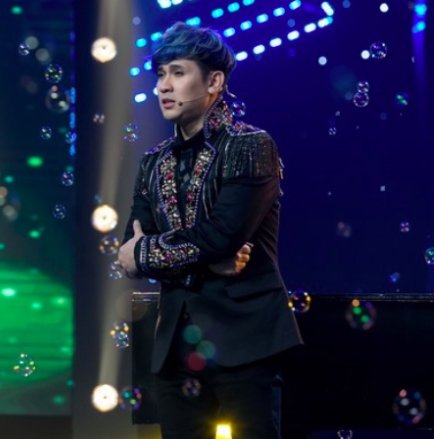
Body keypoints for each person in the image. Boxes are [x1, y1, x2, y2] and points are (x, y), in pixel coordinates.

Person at [117, 22, 302, 439]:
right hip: (175, 349)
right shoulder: (153, 161)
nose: (163, 86)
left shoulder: (250, 145)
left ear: (214, 81)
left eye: (178, 72)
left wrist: (152, 253)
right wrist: (208, 260)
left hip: (246, 340)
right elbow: (129, 251)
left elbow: (222, 236)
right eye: (160, 74)